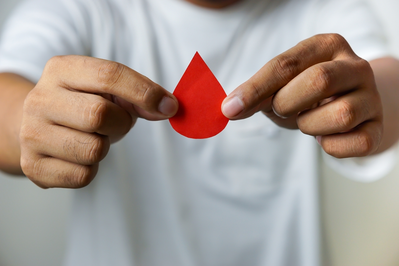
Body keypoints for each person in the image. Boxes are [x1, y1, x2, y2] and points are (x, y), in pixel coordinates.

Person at [0, 0, 398, 265]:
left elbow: (384, 81)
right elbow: (9, 94)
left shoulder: (325, 9)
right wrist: (27, 121)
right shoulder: (80, 8)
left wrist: (368, 100)